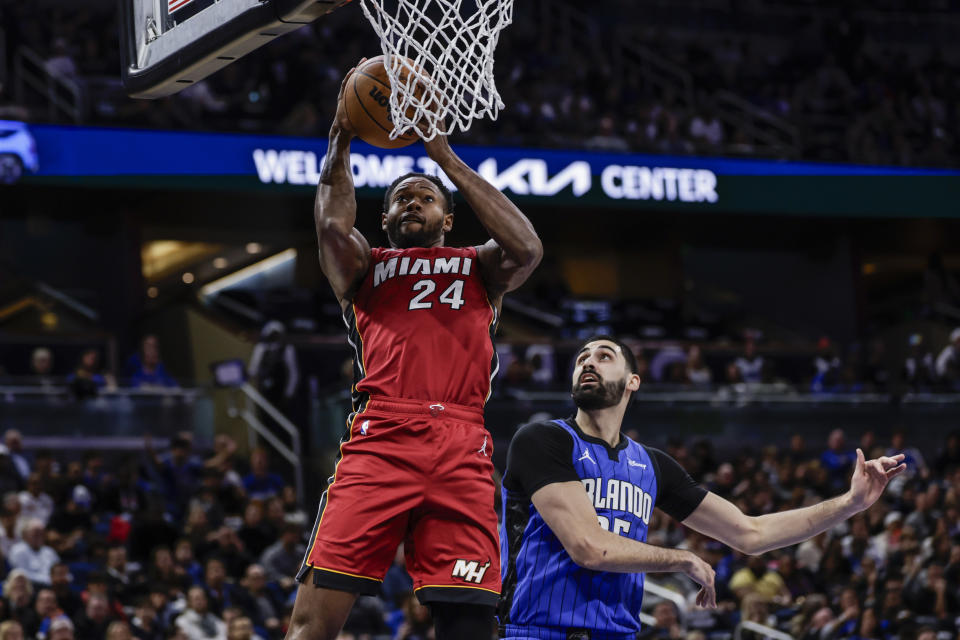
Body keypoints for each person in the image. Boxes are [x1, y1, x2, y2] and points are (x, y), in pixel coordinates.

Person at [286, 59, 542, 640]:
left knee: (472, 623)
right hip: (382, 437)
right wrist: (341, 133)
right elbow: (330, 225)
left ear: (448, 219)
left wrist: (444, 157)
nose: (411, 203)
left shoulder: (479, 266)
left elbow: (527, 248)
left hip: (461, 443)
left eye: (425, 197)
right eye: (401, 199)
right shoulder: (364, 266)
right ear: (382, 219)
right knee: (312, 623)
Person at [497, 335, 906, 640]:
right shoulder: (542, 441)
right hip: (537, 631)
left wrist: (851, 503)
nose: (589, 362)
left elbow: (752, 533)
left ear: (633, 381)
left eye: (604, 356)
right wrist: (682, 559)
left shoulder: (652, 465)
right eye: (582, 358)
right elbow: (587, 546)